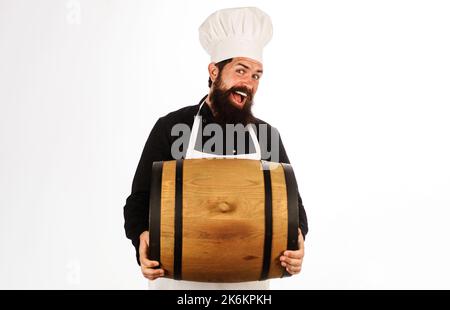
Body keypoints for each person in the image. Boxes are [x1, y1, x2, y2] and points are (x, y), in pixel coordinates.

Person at [123, 7, 308, 290]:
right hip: (180, 287)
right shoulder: (172, 128)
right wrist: (141, 238)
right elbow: (139, 200)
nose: (248, 83)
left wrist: (298, 241)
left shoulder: (267, 135)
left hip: (248, 290)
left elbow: (294, 208)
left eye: (257, 75)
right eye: (241, 71)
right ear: (214, 70)